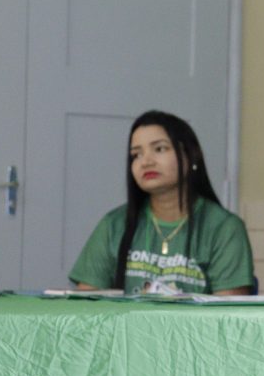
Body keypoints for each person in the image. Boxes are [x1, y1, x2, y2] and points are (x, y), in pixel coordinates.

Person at [70, 110, 254, 295]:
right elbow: (86, 305)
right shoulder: (113, 225)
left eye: (159, 149)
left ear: (190, 156)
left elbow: (227, 310)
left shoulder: (224, 229)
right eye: (136, 155)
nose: (146, 162)